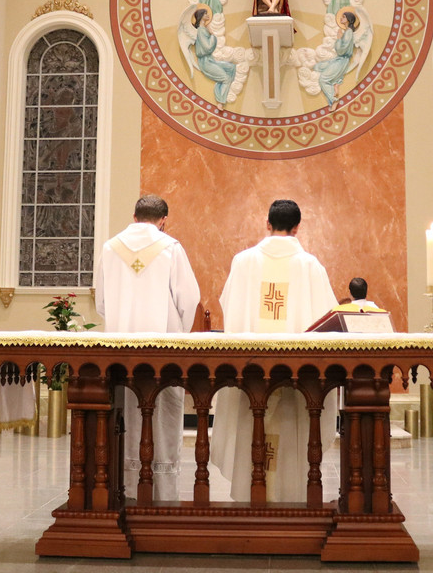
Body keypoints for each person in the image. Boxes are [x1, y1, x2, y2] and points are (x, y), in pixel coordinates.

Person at [210, 200, 337, 502]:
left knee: (253, 419)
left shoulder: (243, 262)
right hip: (295, 378)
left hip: (250, 372)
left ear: (267, 223)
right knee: (293, 423)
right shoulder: (310, 266)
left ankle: (248, 493)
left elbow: (229, 305)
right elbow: (328, 320)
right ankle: (290, 499)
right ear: (297, 227)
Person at [94, 195, 200, 501]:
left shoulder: (110, 247)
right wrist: (178, 332)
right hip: (163, 352)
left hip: (120, 350)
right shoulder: (171, 247)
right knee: (163, 411)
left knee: (126, 410)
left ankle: (126, 484)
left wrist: (119, 322)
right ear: (164, 220)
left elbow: (101, 301)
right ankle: (163, 491)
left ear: (134, 215)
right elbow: (189, 298)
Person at [192, 7, 236, 106]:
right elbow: (207, 48)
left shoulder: (204, 29)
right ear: (201, 16)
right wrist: (212, 35)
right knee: (226, 78)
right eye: (205, 14)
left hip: (210, 60)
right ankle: (220, 101)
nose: (208, 15)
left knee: (231, 67)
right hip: (205, 62)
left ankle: (222, 88)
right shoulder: (200, 31)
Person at [316, 11, 357, 109]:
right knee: (318, 66)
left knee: (323, 79)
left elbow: (341, 50)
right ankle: (335, 84)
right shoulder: (347, 32)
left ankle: (334, 100)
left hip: (342, 60)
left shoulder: (349, 32)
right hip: (339, 59)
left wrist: (339, 39)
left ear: (348, 19)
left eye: (343, 17)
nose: (341, 18)